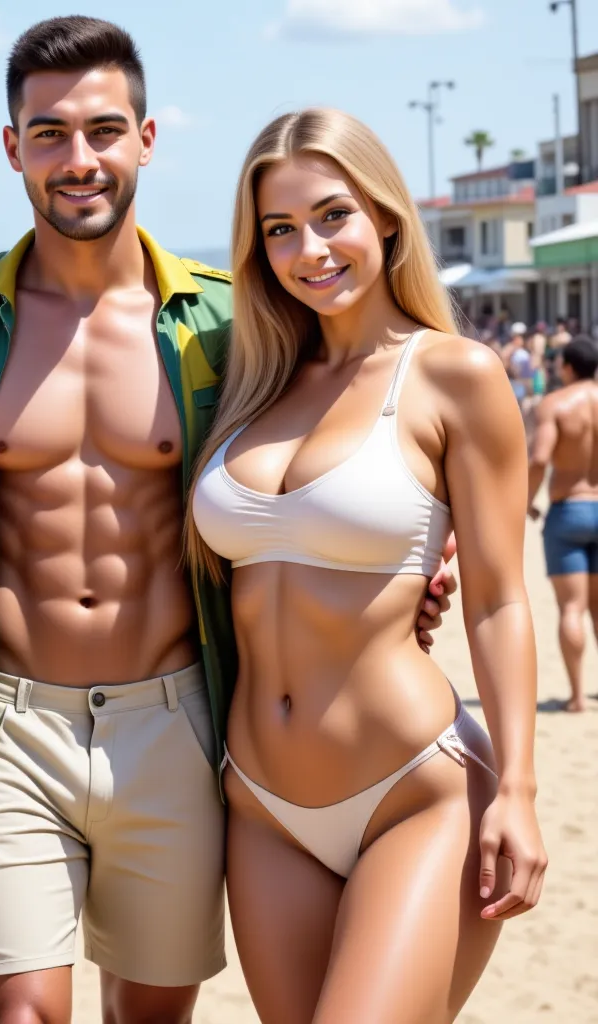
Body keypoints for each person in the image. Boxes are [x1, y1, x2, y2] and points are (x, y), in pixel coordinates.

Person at [0, 19, 454, 1024]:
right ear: (12, 148)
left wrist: (409, 565)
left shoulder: (231, 323)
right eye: (48, 134)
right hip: (2, 718)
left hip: (177, 719)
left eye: (104, 130)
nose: (78, 160)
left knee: (152, 1014)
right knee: (23, 1014)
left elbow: (348, 433)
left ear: (148, 139)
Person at [188, 108, 546, 1022]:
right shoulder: (249, 381)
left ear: (386, 216)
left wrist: (520, 788)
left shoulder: (453, 375)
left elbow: (501, 600)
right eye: (279, 230)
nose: (310, 249)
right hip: (262, 805)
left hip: (412, 790)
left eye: (332, 215)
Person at [528, 335, 598, 712]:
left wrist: (525, 502)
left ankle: (577, 696)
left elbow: (539, 458)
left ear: (567, 366)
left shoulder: (554, 405)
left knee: (572, 608)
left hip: (569, 510)